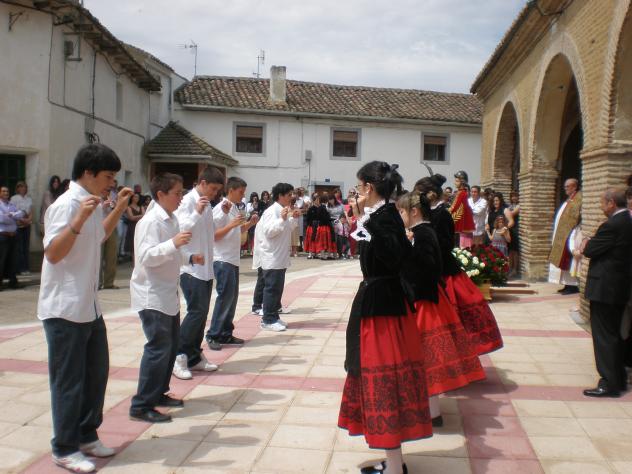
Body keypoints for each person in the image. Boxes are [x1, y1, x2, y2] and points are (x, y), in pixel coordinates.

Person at [38, 144, 132, 472]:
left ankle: (87, 435)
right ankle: (64, 447)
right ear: (88, 173)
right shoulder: (67, 205)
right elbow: (53, 253)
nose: (111, 183)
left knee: (95, 375)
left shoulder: (91, 203)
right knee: (69, 381)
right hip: (64, 309)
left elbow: (98, 237)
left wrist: (118, 208)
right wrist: (77, 220)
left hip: (88, 306)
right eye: (108, 177)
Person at [338, 161, 431, 474]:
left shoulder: (385, 216)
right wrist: (364, 220)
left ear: (368, 187)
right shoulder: (381, 216)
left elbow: (393, 257)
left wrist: (367, 222)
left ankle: (393, 467)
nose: (356, 191)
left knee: (384, 383)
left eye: (359, 186)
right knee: (381, 381)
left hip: (383, 311)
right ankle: (393, 461)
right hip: (379, 304)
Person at [398, 190, 485, 427]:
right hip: (427, 298)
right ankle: (430, 411)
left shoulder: (423, 234)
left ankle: (432, 413)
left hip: (424, 302)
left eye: (402, 211)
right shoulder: (423, 232)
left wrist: (406, 250)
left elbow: (425, 268)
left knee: (427, 358)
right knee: (426, 359)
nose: (400, 216)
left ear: (414, 212)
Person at [129, 173, 204, 423]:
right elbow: (146, 257)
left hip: (168, 293)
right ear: (160, 194)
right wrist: (173, 243)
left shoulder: (171, 219)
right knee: (158, 349)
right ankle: (142, 405)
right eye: (177, 193)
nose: (181, 198)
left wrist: (189, 258)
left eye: (182, 193)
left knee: (170, 347)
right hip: (152, 295)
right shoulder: (150, 222)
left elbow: (173, 253)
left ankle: (158, 393)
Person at [415, 174, 503, 356]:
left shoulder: (441, 214)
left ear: (429, 195)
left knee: (452, 314)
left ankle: (458, 350)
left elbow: (445, 244)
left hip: (445, 271)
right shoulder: (431, 213)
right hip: (436, 267)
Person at [171, 166, 225, 380]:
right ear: (202, 183)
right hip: (190, 267)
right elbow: (180, 229)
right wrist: (196, 212)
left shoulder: (207, 204)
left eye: (217, 190)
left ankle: (193, 355)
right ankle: (178, 355)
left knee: (202, 314)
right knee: (196, 312)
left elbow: (209, 233)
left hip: (206, 267)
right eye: (213, 189)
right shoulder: (187, 202)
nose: (215, 194)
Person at [581, 189, 632, 398]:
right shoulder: (628, 222)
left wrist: (587, 242)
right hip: (619, 287)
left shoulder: (611, 225)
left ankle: (609, 383)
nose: (601, 207)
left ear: (612, 203)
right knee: (615, 335)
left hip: (604, 288)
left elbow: (589, 250)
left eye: (602, 203)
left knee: (604, 336)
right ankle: (618, 378)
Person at [206, 177, 258, 350]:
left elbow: (237, 230)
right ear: (231, 190)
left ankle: (225, 333)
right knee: (224, 297)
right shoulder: (221, 209)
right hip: (222, 259)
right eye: (241, 192)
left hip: (232, 259)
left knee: (231, 298)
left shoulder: (234, 208)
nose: (243, 195)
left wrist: (249, 224)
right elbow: (214, 236)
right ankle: (213, 334)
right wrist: (233, 224)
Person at [251, 183, 299, 331]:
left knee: (277, 289)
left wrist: (293, 218)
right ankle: (268, 320)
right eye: (289, 195)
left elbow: (287, 229)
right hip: (272, 257)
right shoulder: (271, 211)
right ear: (280, 196)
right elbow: (269, 232)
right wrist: (282, 219)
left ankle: (274, 317)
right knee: (271, 289)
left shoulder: (282, 210)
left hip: (280, 257)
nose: (291, 197)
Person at [549, 178, 582, 295]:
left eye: (567, 186)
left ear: (574, 187)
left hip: (570, 235)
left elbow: (575, 217)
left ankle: (572, 285)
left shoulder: (578, 199)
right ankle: (566, 284)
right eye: (565, 186)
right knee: (563, 260)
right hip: (562, 235)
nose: (565, 189)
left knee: (568, 259)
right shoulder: (570, 199)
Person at [0, 185, 24, 289]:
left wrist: (11, 215)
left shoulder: (11, 205)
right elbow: (2, 219)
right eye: (3, 191)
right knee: (1, 260)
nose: (6, 193)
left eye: (7, 191)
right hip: (3, 236)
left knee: (13, 260)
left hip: (14, 236)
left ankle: (13, 282)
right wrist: (13, 217)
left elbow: (21, 214)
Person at [10, 181, 33, 274]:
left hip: (27, 225)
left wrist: (28, 220)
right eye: (21, 187)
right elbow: (13, 212)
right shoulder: (14, 198)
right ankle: (21, 269)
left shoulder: (29, 199)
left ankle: (26, 268)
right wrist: (22, 220)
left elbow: (31, 211)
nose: (23, 188)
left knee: (26, 247)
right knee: (20, 248)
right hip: (18, 225)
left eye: (24, 187)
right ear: (18, 188)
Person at [100, 184, 119, 289]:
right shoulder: (95, 196)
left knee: (111, 256)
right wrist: (102, 206)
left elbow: (118, 212)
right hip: (99, 227)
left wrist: (115, 207)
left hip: (111, 228)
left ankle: (109, 282)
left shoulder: (113, 196)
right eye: (106, 190)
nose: (108, 192)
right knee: (98, 256)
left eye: (109, 190)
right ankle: (97, 282)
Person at [449, 171, 475, 248]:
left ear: (462, 182)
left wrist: (446, 213)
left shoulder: (462, 194)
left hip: (459, 224)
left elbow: (455, 207)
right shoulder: (459, 193)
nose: (455, 183)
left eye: (457, 181)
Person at [304, 194, 334, 259]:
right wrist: (310, 224)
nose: (318, 201)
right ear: (314, 200)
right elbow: (308, 219)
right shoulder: (311, 208)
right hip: (312, 226)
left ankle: (316, 253)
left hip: (318, 225)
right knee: (311, 240)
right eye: (317, 200)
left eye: (318, 199)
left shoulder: (321, 208)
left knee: (317, 240)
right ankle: (310, 253)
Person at [124, 193, 144, 258]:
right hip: (132, 227)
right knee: (133, 246)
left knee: (140, 244)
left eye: (138, 197)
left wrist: (136, 217)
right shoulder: (129, 207)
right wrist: (141, 216)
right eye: (135, 197)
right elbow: (131, 217)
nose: (137, 198)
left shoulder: (141, 207)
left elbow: (144, 216)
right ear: (132, 198)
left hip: (141, 227)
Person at [507, 191, 521, 277]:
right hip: (510, 229)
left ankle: (515, 269)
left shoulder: (518, 206)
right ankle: (510, 268)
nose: (514, 198)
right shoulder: (510, 206)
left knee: (515, 250)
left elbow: (511, 214)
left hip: (516, 229)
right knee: (510, 250)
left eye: (516, 196)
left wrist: (506, 212)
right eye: (512, 196)